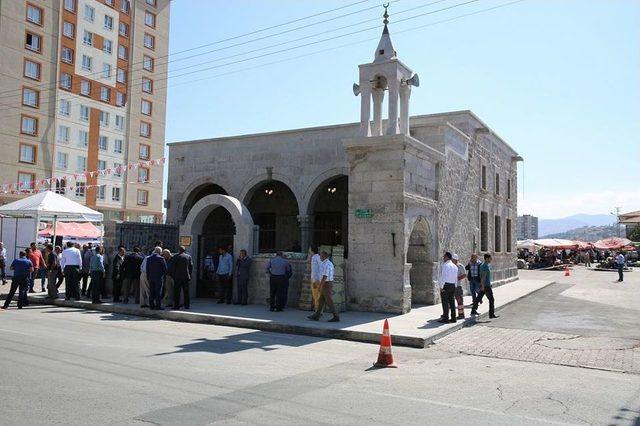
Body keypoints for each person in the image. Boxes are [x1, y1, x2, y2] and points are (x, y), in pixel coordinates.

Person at [307, 251, 340, 322]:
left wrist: (320, 286)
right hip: (325, 283)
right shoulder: (324, 263)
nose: (320, 257)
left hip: (326, 284)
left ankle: (336, 316)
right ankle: (317, 315)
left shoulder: (327, 264)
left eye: (321, 256)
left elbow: (325, 276)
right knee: (321, 300)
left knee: (329, 301)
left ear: (324, 257)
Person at [471, 253, 497, 318]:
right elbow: (483, 277)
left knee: (478, 298)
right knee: (491, 299)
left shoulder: (482, 265)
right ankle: (491, 314)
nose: (491, 259)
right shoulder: (485, 266)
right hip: (486, 286)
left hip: (484, 285)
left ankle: (473, 310)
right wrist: (483, 286)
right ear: (487, 258)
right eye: (490, 258)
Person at [169, 246, 193, 310]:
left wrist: (173, 276)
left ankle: (176, 306)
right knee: (186, 292)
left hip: (177, 277)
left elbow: (172, 268)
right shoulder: (188, 257)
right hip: (186, 277)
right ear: (184, 250)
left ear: (179, 250)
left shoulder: (175, 257)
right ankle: (187, 305)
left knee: (177, 292)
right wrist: (189, 275)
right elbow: (191, 267)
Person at [438, 252, 458, 324]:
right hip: (452, 285)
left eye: (444, 257)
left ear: (447, 257)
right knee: (452, 302)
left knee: (445, 302)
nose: (443, 258)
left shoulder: (445, 265)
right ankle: (453, 318)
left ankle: (446, 318)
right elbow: (456, 278)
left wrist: (441, 286)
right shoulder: (455, 266)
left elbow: (444, 277)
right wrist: (455, 286)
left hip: (446, 285)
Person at [452, 254, 467, 320]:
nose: (452, 261)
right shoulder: (451, 266)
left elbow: (464, 275)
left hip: (458, 286)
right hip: (451, 286)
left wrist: (458, 278)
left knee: (459, 301)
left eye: (453, 260)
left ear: (455, 260)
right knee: (450, 301)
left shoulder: (460, 266)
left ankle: (461, 314)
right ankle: (447, 314)